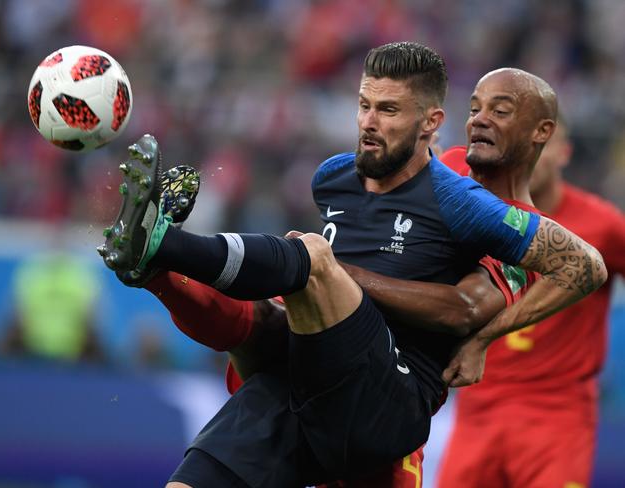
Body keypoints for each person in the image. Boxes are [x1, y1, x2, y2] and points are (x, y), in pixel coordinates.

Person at [98, 42, 606, 487]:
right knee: (259, 316)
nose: (479, 120)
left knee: (313, 259)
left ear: (542, 132)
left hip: (393, 401)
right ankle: (154, 262)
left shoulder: (495, 217)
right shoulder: (373, 172)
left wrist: (478, 340)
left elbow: (467, 309)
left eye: (501, 110)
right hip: (310, 375)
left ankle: (165, 245)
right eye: (475, 107)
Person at [436, 119, 625, 488]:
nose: (531, 159)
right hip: (479, 409)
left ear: (563, 152)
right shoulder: (478, 211)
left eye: (542, 147)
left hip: (556, 415)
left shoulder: (602, 225)